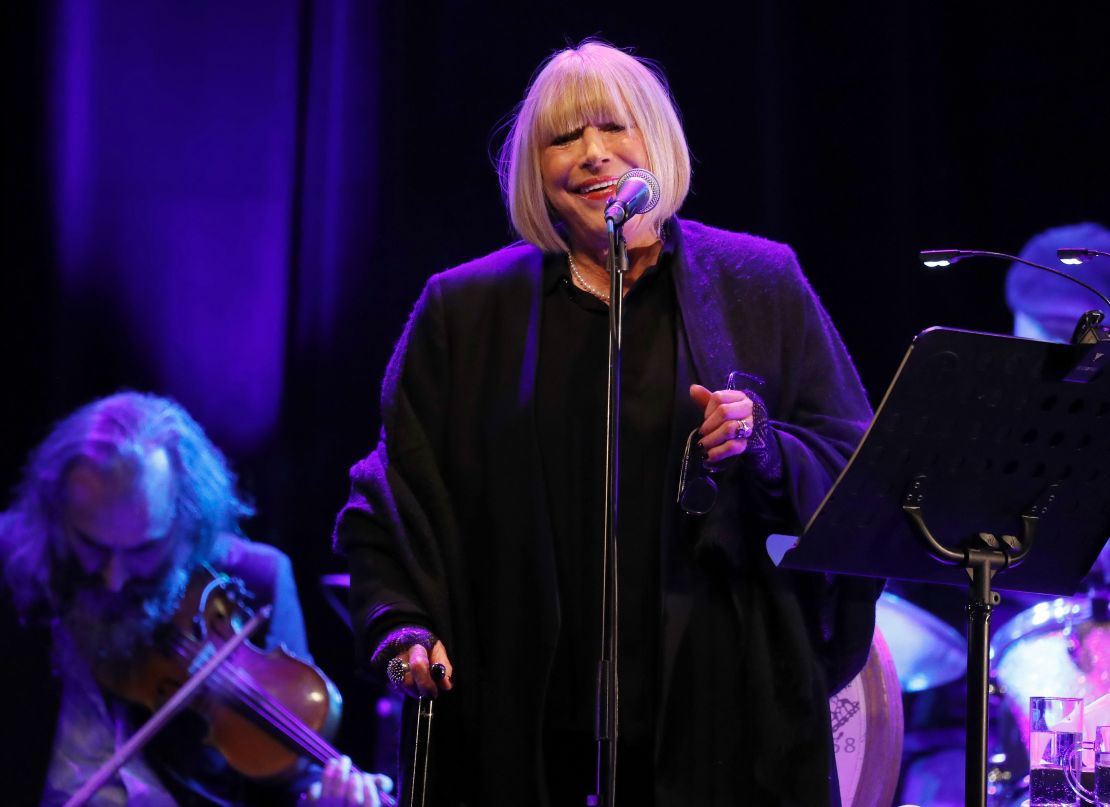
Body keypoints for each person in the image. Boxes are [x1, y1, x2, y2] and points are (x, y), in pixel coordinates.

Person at [335, 40, 880, 806]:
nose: (593, 155)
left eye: (614, 129)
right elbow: (395, 494)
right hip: (521, 717)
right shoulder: (463, 310)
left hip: (723, 716)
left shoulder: (760, 283)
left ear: (656, 140)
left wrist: (762, 444)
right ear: (536, 169)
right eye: (564, 138)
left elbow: (859, 468)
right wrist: (402, 626)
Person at [0, 392, 391, 806]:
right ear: (56, 517)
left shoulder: (253, 583)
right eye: (91, 545)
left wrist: (321, 800)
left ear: (187, 523)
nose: (115, 580)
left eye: (142, 550)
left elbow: (286, 785)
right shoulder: (11, 565)